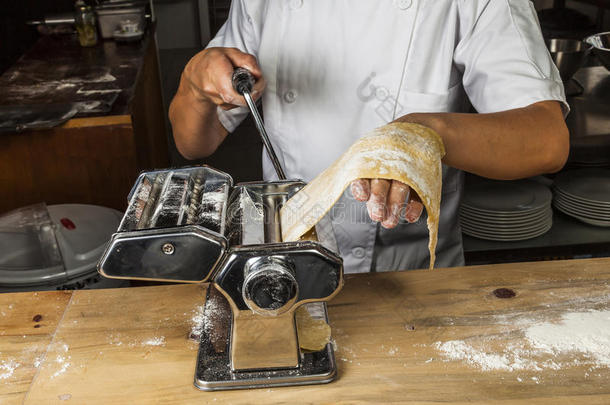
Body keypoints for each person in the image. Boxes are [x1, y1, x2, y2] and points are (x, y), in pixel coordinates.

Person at [169, 1, 569, 273]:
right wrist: (193, 81)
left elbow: (546, 139)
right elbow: (193, 142)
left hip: (412, 277)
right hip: (288, 263)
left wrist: (425, 135)